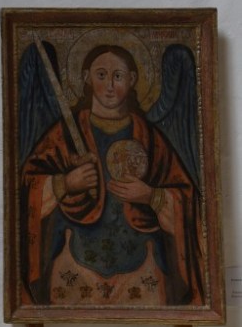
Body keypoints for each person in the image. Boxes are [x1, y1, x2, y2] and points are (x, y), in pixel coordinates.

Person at [20, 44, 204, 308]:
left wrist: (152, 196)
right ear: (86, 78)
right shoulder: (64, 134)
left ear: (132, 79)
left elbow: (186, 195)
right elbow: (28, 185)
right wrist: (65, 183)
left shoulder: (150, 138)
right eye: (101, 75)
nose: (109, 85)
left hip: (143, 264)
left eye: (118, 76)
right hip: (73, 261)